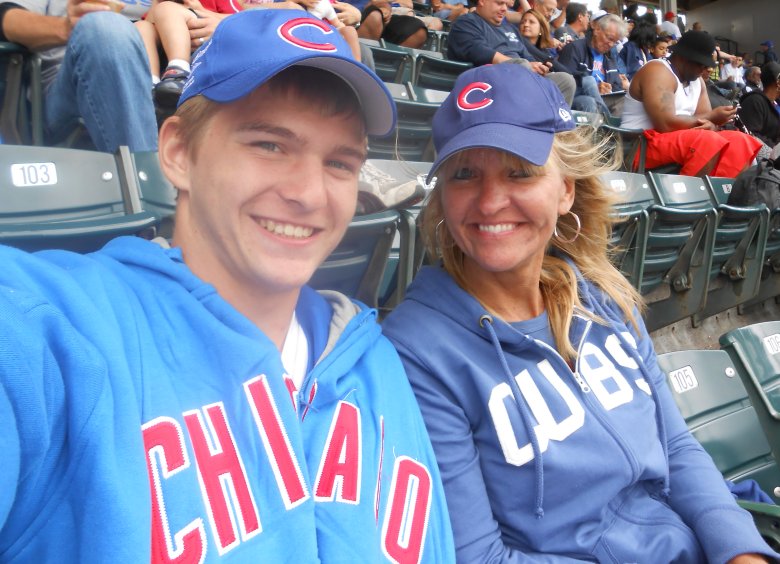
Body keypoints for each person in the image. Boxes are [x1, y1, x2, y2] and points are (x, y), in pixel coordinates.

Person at [0, 9, 455, 561]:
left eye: (340, 162)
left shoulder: (375, 360)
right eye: (269, 144)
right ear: (178, 153)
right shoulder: (61, 328)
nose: (309, 194)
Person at [382, 61, 779, 563]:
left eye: (520, 172)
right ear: (442, 195)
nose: (489, 201)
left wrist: (739, 549)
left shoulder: (602, 296)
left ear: (566, 188)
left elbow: (675, 448)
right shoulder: (418, 353)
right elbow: (479, 557)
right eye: (464, 174)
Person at [0, 0, 157, 152]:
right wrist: (66, 27)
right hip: (69, 92)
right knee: (102, 26)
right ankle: (143, 170)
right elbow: (7, 18)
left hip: (162, 88)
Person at [621, 30, 762, 177]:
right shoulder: (657, 70)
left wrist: (712, 123)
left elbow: (706, 123)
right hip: (640, 144)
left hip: (679, 141)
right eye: (701, 64)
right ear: (683, 58)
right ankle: (690, 197)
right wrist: (712, 117)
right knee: (708, 141)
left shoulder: (697, 80)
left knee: (741, 141)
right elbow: (665, 124)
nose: (706, 69)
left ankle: (725, 195)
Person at [446, 0, 575, 105]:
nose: (504, 9)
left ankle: (556, 131)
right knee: (521, 66)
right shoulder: (467, 22)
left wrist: (538, 67)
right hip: (487, 82)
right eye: (500, 3)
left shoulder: (511, 29)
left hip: (522, 78)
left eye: (507, 5)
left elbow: (527, 56)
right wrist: (523, 65)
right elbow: (478, 51)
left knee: (566, 80)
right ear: (482, 1)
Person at [558, 13, 627, 116]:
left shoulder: (610, 58)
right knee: (589, 97)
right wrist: (594, 88)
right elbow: (565, 84)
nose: (611, 44)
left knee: (625, 99)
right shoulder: (575, 49)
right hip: (577, 98)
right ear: (597, 30)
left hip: (604, 100)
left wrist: (610, 89)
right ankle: (609, 127)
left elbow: (617, 87)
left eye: (615, 42)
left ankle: (613, 129)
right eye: (609, 38)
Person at [738, 62, 780, 155]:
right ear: (778, 83)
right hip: (765, 160)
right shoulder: (754, 101)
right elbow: (751, 136)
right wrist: (776, 151)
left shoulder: (775, 102)